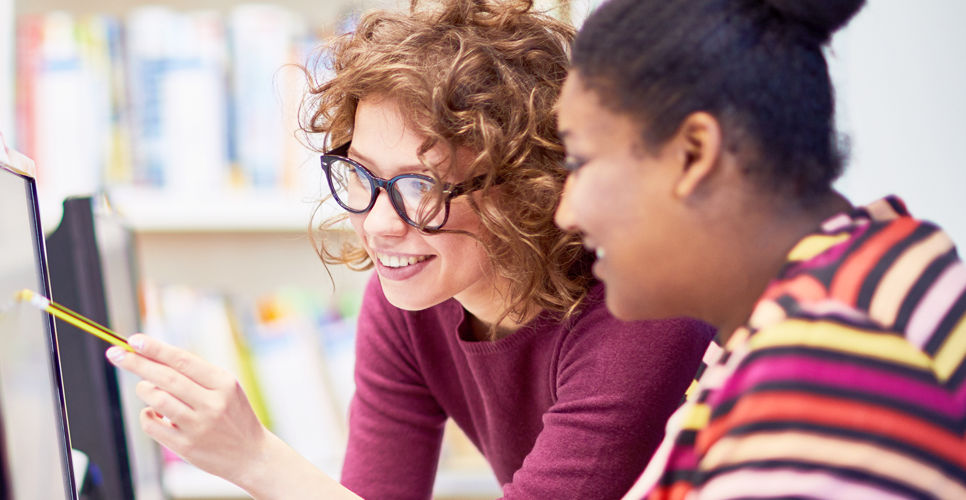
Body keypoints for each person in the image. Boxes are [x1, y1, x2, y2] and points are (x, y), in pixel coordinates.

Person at [104, 1, 715, 498]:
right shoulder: (407, 301)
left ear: (526, 188)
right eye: (362, 175)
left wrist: (257, 459)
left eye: (420, 186)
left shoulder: (640, 310)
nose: (379, 225)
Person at [554, 0, 966, 497]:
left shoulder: (823, 369)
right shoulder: (856, 283)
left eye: (579, 161)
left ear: (693, 153)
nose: (566, 214)